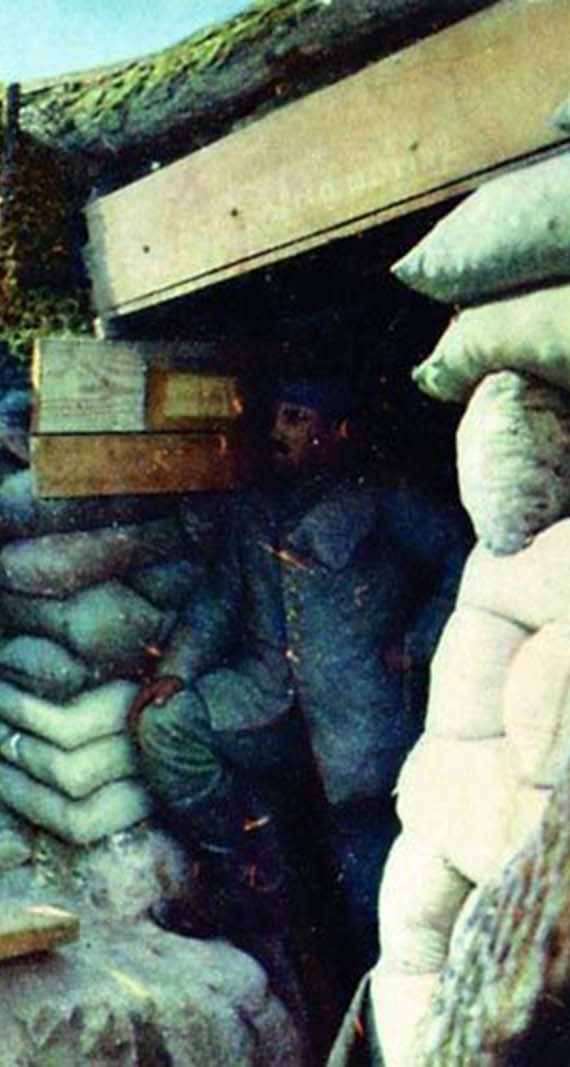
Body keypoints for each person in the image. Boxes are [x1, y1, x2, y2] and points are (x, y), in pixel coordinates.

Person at [128, 378, 469, 993]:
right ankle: (243, 880)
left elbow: (461, 556)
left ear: (337, 432)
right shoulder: (254, 509)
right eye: (277, 417)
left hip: (355, 722)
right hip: (269, 703)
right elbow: (218, 600)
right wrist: (177, 668)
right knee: (167, 726)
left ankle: (378, 1010)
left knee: (368, 901)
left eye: (296, 418)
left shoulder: (384, 498)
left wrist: (420, 639)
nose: (278, 432)